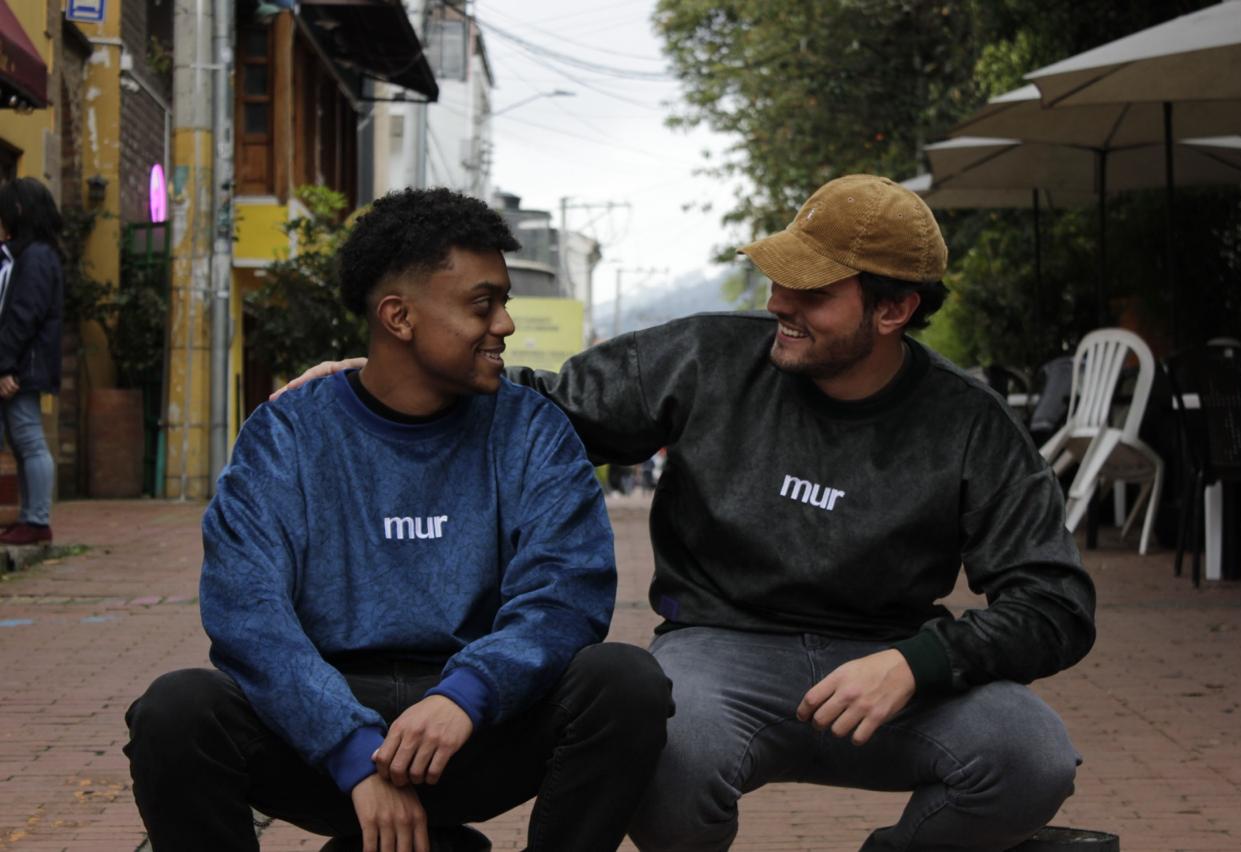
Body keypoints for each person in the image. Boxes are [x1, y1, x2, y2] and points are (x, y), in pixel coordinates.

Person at [278, 175, 1097, 851]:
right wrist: (402, 370)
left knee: (1032, 758)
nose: (781, 301)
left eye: (813, 292)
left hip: (887, 665)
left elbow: (1056, 602)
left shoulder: (969, 423)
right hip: (718, 655)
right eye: (780, 277)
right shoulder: (707, 356)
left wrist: (919, 661)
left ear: (893, 311)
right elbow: (551, 407)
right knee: (656, 745)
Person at [125, 187, 671, 852]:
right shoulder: (287, 434)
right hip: (322, 734)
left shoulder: (532, 431)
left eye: (503, 303)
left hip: (476, 725)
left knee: (624, 685)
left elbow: (565, 596)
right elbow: (247, 611)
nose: (504, 324)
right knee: (176, 712)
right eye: (482, 304)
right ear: (399, 317)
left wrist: (466, 694)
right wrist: (350, 747)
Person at [0, 178, 63, 545]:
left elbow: (24, 315)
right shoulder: (34, 254)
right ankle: (30, 518)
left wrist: (6, 366)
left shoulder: (36, 257)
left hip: (24, 367)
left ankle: (37, 520)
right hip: (25, 363)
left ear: (20, 210)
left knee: (28, 439)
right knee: (23, 440)